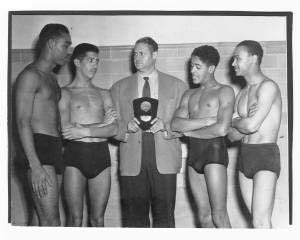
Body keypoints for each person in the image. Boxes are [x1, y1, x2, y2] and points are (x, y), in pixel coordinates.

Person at [110, 37, 188, 227]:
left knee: (165, 217)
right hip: (132, 158)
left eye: (141, 53)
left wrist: (166, 126)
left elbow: (185, 123)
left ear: (155, 55)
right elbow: (112, 124)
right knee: (134, 219)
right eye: (134, 54)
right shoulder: (119, 87)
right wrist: (124, 128)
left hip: (164, 157)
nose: (136, 57)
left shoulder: (177, 86)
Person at [171, 45, 234, 228]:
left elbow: (222, 129)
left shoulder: (224, 91)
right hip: (194, 155)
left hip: (214, 152)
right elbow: (175, 124)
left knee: (219, 215)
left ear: (211, 69)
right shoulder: (189, 94)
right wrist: (207, 121)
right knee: (204, 216)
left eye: (197, 67)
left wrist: (190, 132)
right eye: (191, 66)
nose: (192, 71)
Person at [15, 23, 72, 226]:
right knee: (51, 221)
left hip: (54, 149)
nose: (69, 51)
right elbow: (22, 121)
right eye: (66, 45)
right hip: (38, 150)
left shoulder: (51, 78)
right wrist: (35, 164)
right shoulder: (30, 76)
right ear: (50, 44)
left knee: (47, 219)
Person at [59, 43, 118, 227]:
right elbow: (66, 131)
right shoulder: (65, 93)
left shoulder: (104, 94)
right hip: (75, 155)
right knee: (75, 219)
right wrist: (102, 124)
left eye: (97, 61)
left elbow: (114, 129)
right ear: (77, 61)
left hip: (100, 155)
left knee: (98, 219)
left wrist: (83, 130)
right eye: (90, 60)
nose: (95, 65)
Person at [228, 40, 282, 228]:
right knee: (256, 222)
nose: (233, 63)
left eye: (237, 58)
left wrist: (235, 120)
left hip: (265, 154)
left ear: (253, 58)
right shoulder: (242, 93)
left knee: (261, 221)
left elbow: (251, 126)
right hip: (245, 156)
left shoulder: (268, 87)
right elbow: (232, 136)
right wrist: (237, 123)